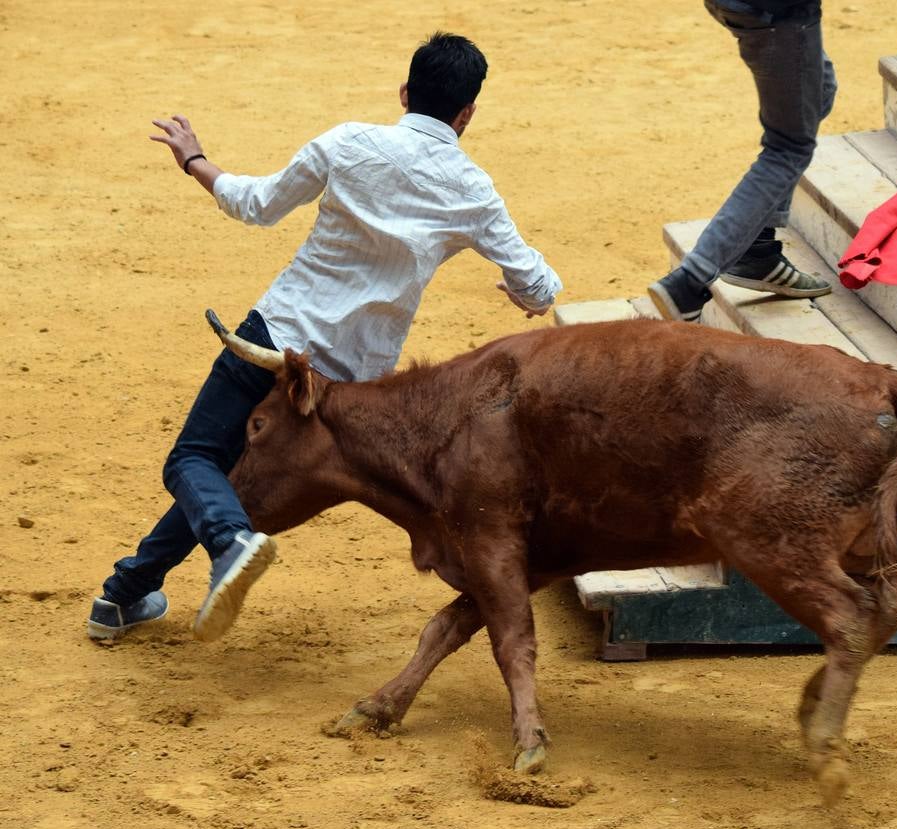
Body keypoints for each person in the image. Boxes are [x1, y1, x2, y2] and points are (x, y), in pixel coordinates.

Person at [88, 32, 562, 642]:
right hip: (349, 385)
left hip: (276, 338)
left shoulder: (348, 143)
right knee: (221, 473)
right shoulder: (473, 191)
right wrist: (522, 295)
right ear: (467, 113)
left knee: (193, 458)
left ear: (405, 93)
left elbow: (254, 203)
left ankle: (229, 545)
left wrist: (193, 159)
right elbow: (540, 286)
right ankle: (123, 595)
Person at [648, 0, 897, 322]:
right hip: (778, 14)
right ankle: (690, 283)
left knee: (818, 91)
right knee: (788, 147)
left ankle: (756, 250)